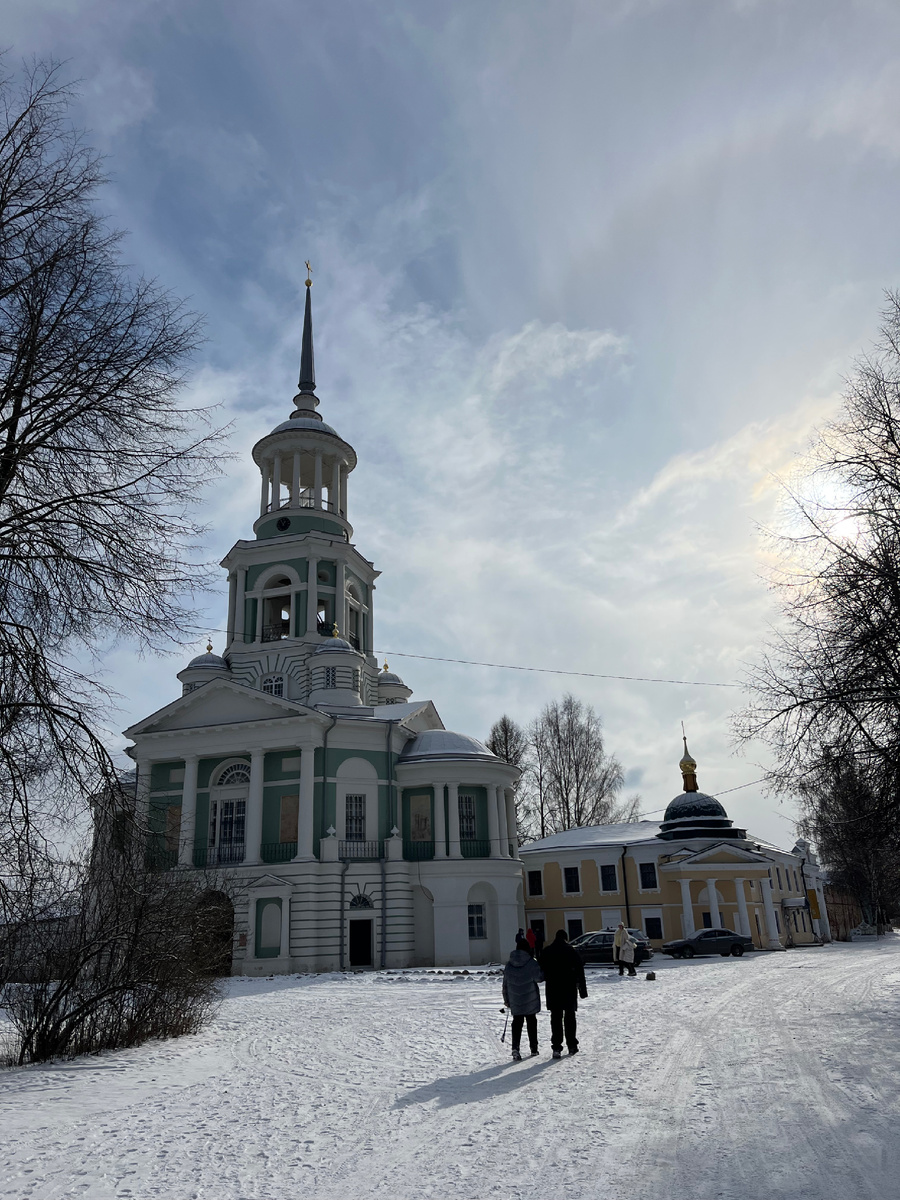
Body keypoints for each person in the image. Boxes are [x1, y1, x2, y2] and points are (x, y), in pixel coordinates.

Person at [540, 929, 588, 1058]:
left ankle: (556, 1047)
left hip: (553, 989)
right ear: (566, 938)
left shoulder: (547, 951)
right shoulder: (571, 951)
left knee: (555, 1018)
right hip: (569, 988)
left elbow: (541, 968)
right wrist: (582, 991)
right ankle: (572, 1045)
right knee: (570, 1017)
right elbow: (580, 971)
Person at [502, 936, 543, 1060]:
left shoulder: (509, 965)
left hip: (515, 999)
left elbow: (505, 984)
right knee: (531, 1022)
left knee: (517, 1023)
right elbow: (539, 978)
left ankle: (515, 1048)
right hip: (530, 999)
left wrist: (506, 999)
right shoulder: (531, 963)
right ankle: (534, 1048)